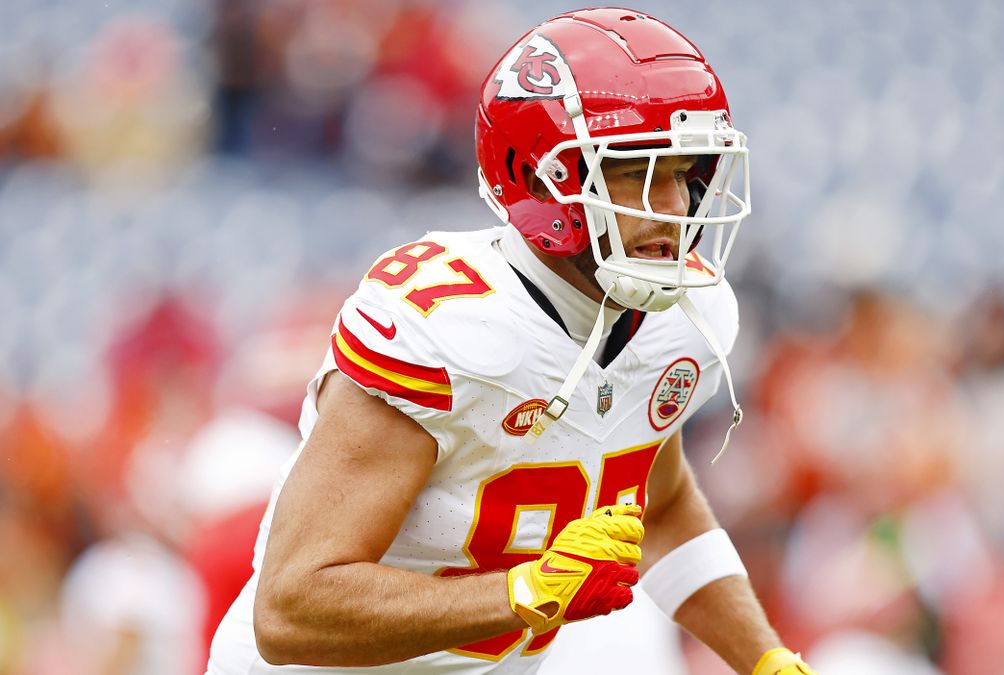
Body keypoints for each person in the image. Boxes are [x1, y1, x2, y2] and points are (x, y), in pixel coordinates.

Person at [207, 8, 816, 675]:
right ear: (540, 177)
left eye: (687, 170)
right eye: (637, 171)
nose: (672, 205)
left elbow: (662, 510)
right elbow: (291, 608)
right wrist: (523, 591)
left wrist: (763, 658)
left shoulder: (682, 316)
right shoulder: (446, 329)